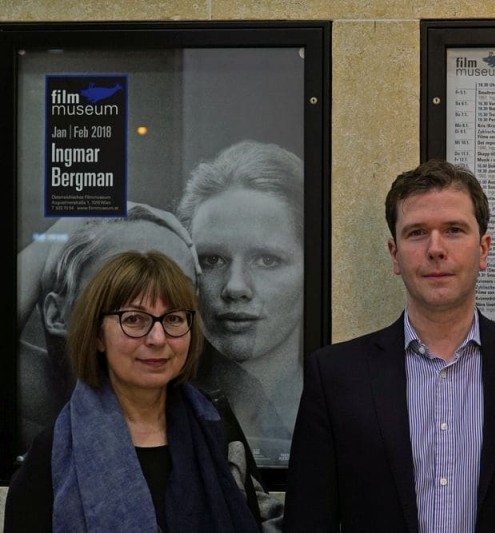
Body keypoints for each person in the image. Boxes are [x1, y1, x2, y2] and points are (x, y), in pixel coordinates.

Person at [284, 159, 495, 532]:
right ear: (394, 254)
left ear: (483, 250)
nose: (435, 249)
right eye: (417, 233)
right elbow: (308, 521)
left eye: (453, 230)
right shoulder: (335, 377)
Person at [5, 250, 282, 532]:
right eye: (135, 319)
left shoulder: (218, 427)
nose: (158, 338)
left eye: (173, 319)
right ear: (98, 335)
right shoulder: (50, 455)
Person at [17, 203, 201, 449]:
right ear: (57, 314)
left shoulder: (208, 420)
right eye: (121, 292)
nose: (158, 337)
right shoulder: (44, 395)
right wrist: (79, 217)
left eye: (175, 298)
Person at [177, 140, 304, 467]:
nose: (235, 287)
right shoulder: (151, 399)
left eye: (267, 260)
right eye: (212, 260)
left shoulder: (340, 404)